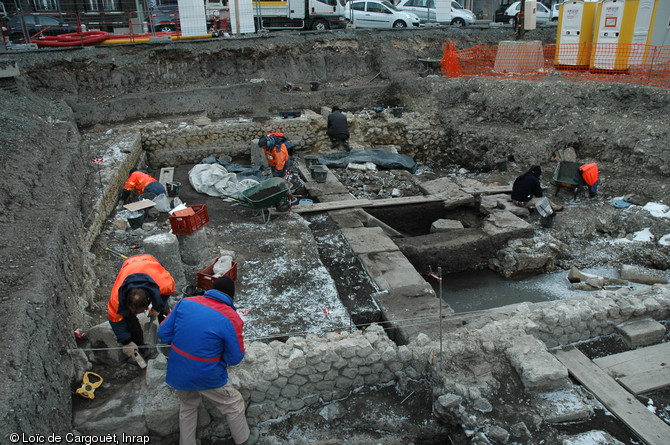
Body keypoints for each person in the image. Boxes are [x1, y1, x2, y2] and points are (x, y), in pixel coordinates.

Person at [158, 276, 258, 445]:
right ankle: (244, 439)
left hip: (178, 371)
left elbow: (163, 333)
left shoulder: (186, 303)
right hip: (207, 374)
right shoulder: (231, 318)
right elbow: (235, 358)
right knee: (233, 404)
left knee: (188, 406)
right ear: (230, 296)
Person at [107, 254, 175, 361]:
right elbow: (115, 320)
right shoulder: (116, 298)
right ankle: (142, 348)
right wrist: (126, 341)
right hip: (128, 265)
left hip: (150, 262)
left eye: (140, 311)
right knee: (128, 318)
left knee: (163, 310)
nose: (137, 313)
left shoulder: (163, 283)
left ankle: (168, 336)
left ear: (149, 299)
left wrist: (157, 307)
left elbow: (168, 292)